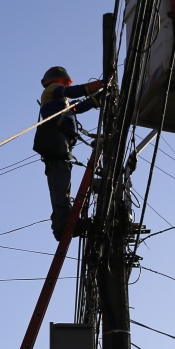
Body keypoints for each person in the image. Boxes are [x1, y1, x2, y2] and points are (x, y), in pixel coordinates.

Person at [33, 67, 103, 241]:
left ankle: (62, 221)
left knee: (62, 182)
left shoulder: (61, 101)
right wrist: (100, 84)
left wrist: (99, 99)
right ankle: (62, 222)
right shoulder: (52, 90)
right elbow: (73, 92)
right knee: (60, 181)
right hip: (55, 142)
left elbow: (78, 107)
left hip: (60, 143)